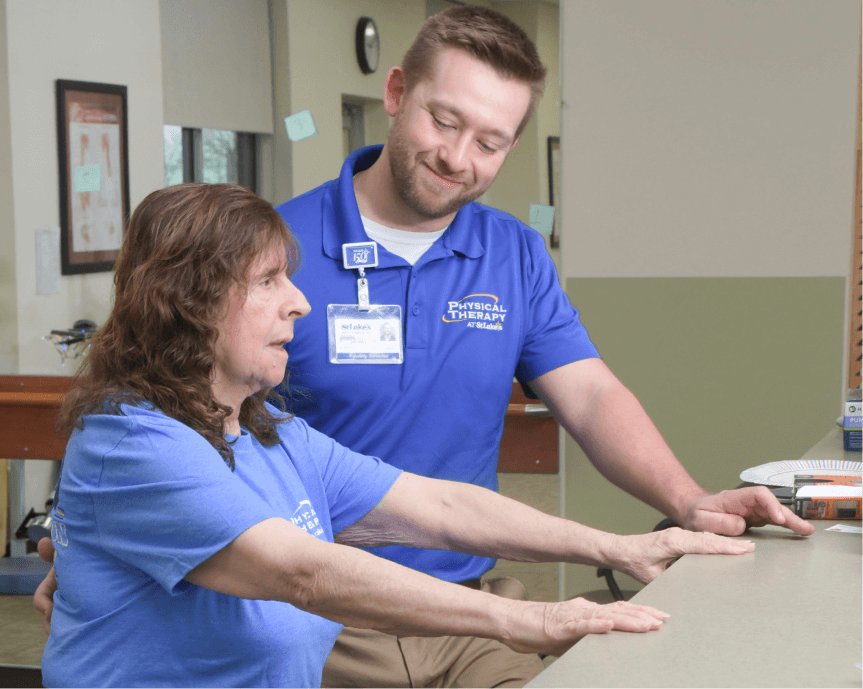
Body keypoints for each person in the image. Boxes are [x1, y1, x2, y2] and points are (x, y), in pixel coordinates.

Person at [271, 6, 815, 688]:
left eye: (490, 142)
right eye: (444, 121)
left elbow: (590, 396)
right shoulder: (277, 247)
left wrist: (688, 499)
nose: (457, 158)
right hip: (315, 613)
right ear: (396, 92)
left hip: (469, 613)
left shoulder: (515, 254)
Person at [36, 182, 756, 689]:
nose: (299, 302)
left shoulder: (270, 433)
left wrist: (619, 548)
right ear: (189, 302)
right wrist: (523, 618)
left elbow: (440, 507)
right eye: (268, 281)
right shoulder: (131, 445)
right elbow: (304, 573)